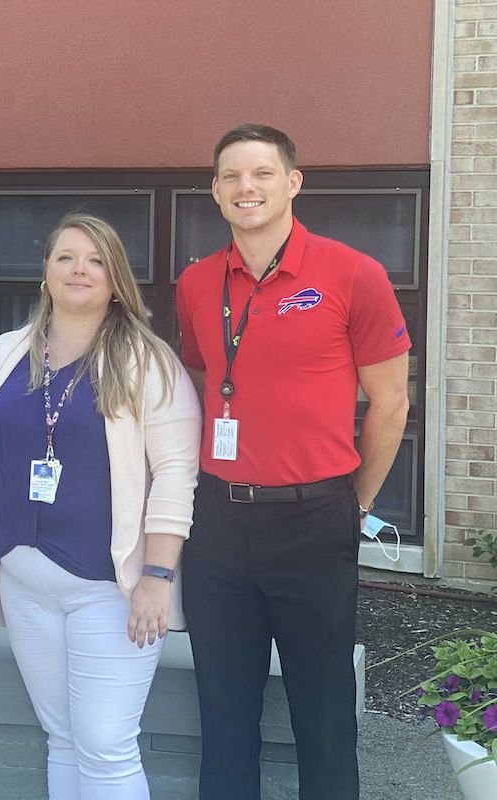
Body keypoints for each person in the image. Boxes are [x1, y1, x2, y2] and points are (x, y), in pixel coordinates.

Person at [175, 124, 411, 800]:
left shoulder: (352, 274)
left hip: (316, 520)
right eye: (231, 177)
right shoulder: (196, 283)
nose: (246, 188)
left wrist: (355, 506)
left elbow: (390, 405)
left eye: (261, 174)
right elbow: (201, 381)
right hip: (218, 524)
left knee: (324, 717)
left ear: (292, 183)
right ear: (216, 191)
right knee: (222, 717)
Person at [0, 213, 202, 800]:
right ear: (45, 274)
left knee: (105, 742)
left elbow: (176, 476)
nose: (80, 269)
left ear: (115, 281)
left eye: (96, 260)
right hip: (24, 585)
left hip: (112, 591)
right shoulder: (4, 354)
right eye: (66, 257)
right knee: (61, 737)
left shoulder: (148, 362)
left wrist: (158, 576)